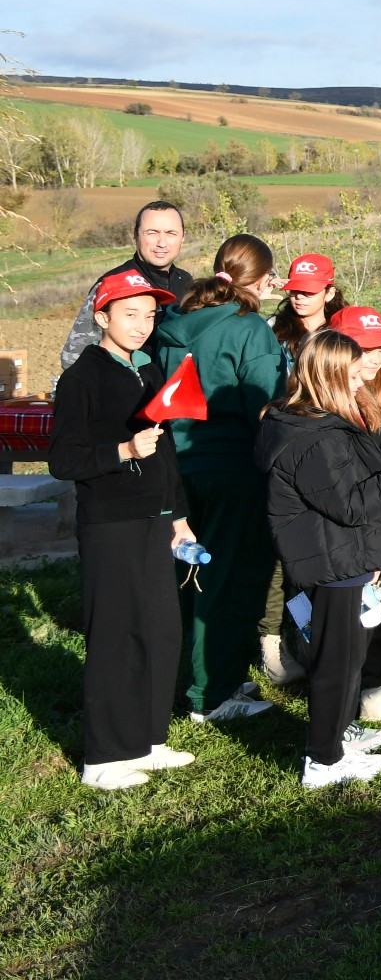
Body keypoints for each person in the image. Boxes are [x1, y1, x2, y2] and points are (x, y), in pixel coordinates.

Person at [256, 330, 381, 789]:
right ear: (331, 376)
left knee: (350, 656)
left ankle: (338, 732)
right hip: (334, 563)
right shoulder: (314, 438)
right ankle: (324, 759)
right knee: (336, 662)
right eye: (354, 371)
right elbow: (352, 505)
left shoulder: (321, 426)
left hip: (347, 557)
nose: (364, 376)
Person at [49, 268, 196, 790]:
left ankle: (148, 740)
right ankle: (104, 757)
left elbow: (169, 452)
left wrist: (178, 517)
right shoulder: (82, 378)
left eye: (150, 315)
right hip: (110, 522)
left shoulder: (150, 369)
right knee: (116, 635)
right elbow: (63, 460)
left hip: (154, 520)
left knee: (160, 629)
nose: (141, 324)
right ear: (102, 316)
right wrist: (123, 450)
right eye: (130, 314)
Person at [151, 234, 283, 724]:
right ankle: (212, 693)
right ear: (262, 279)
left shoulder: (173, 325)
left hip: (177, 467)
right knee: (227, 579)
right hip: (233, 469)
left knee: (186, 578)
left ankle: (194, 671)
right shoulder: (250, 331)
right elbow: (265, 407)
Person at [255, 251, 344, 686]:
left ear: (329, 291)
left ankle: (316, 634)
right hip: (284, 446)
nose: (299, 299)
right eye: (293, 291)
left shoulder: (342, 334)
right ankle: (270, 643)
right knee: (279, 549)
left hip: (328, 449)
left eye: (309, 292)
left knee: (320, 545)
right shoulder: (275, 333)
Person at [60, 201, 193, 371]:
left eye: (171, 233)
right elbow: (74, 358)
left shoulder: (186, 282)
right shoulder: (114, 285)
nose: (162, 242)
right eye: (152, 233)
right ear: (135, 236)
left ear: (183, 238)